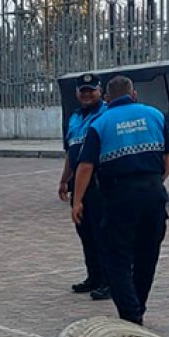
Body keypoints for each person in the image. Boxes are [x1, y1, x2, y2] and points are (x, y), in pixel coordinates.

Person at [72, 76, 169, 325]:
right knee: (147, 254)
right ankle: (138, 306)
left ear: (107, 98)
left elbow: (86, 166)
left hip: (120, 195)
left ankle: (131, 315)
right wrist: (161, 175)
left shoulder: (101, 123)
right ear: (134, 93)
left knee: (117, 257)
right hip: (153, 193)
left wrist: (77, 201)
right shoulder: (154, 115)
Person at [58, 73, 109, 299]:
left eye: (91, 90)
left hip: (100, 183)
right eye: (83, 91)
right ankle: (94, 276)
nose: (87, 94)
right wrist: (63, 180)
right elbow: (72, 152)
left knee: (102, 233)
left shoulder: (106, 114)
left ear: (101, 91)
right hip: (79, 184)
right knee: (85, 232)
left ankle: (109, 280)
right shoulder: (75, 117)